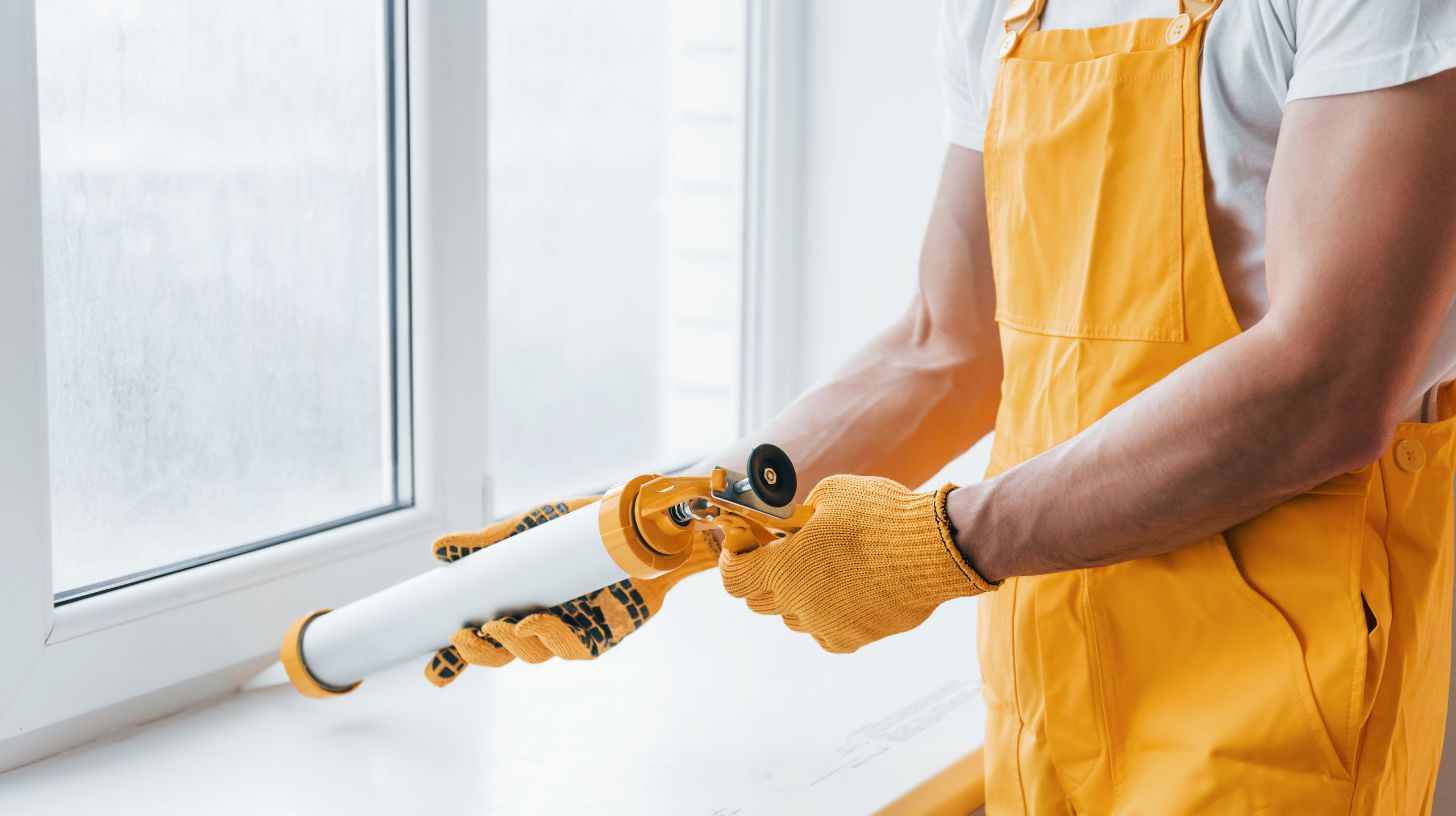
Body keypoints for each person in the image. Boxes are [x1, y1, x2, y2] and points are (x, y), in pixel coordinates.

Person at [427, 0, 1456, 810]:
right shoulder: (1001, 11)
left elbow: (1329, 379)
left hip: (1283, 693)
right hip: (1048, 676)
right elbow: (948, 342)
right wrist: (674, 525)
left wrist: (943, 542)